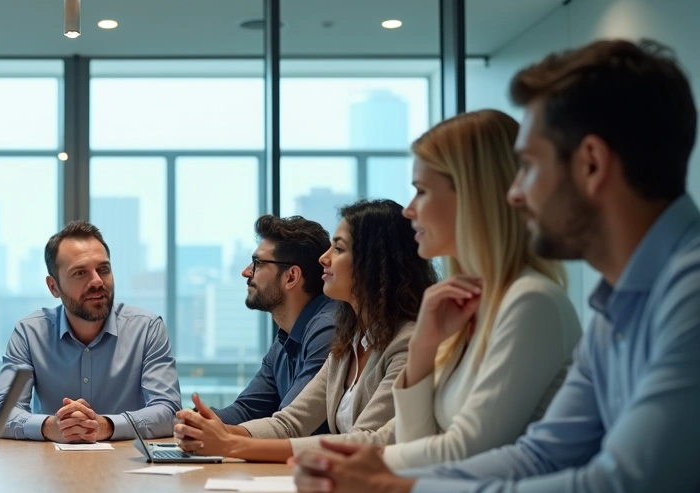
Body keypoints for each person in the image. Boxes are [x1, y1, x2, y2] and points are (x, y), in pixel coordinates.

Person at [293, 39, 700, 493]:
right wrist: (386, 485)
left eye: (529, 167)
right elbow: (542, 455)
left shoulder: (689, 292)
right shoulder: (619, 300)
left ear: (590, 164)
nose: (513, 192)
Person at [381, 110, 582, 469]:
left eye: (422, 191)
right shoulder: (474, 305)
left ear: (473, 195)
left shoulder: (531, 302)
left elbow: (466, 454)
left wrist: (367, 462)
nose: (409, 211)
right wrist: (423, 347)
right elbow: (420, 449)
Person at [175, 199, 436, 462]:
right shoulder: (349, 341)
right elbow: (290, 423)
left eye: (338, 248)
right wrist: (215, 433)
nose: (324, 257)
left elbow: (366, 439)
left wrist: (230, 445)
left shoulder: (406, 343)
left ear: (375, 263)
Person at [0, 221, 181, 442]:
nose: (97, 281)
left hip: (128, 465)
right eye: (80, 273)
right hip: (51, 467)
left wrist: (106, 426)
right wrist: (50, 427)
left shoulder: (147, 328)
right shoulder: (30, 333)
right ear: (54, 287)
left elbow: (169, 411)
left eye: (103, 269)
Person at [212, 215, 337, 427]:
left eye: (257, 263)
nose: (246, 272)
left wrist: (219, 434)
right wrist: (194, 420)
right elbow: (246, 410)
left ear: (291, 277)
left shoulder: (327, 329)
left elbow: (288, 425)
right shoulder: (285, 338)